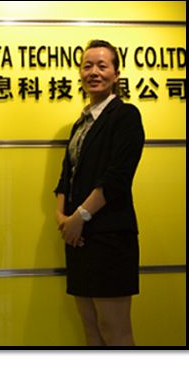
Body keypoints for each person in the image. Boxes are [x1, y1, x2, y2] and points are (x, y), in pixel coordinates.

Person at [53, 39, 144, 346]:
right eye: (87, 66)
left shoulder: (125, 115)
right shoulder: (81, 123)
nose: (94, 72)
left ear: (116, 74)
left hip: (109, 236)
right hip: (78, 238)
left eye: (102, 66)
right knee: (90, 329)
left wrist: (80, 217)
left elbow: (117, 178)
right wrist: (62, 218)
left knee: (115, 331)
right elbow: (66, 177)